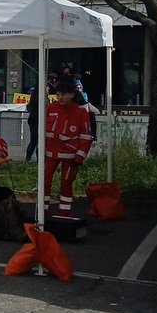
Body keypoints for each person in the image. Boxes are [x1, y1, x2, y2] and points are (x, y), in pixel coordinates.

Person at [44, 81, 93, 217]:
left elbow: (86, 136)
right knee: (45, 182)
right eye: (58, 95)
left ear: (71, 95)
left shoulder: (81, 112)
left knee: (66, 183)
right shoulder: (51, 108)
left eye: (64, 95)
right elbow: (43, 132)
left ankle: (64, 213)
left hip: (71, 156)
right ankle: (42, 211)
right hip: (51, 153)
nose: (60, 98)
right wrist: (42, 151)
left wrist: (79, 157)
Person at [25, 87, 41, 162]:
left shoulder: (33, 98)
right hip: (38, 120)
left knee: (33, 140)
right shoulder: (40, 98)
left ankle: (28, 158)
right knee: (38, 141)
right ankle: (39, 159)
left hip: (32, 119)